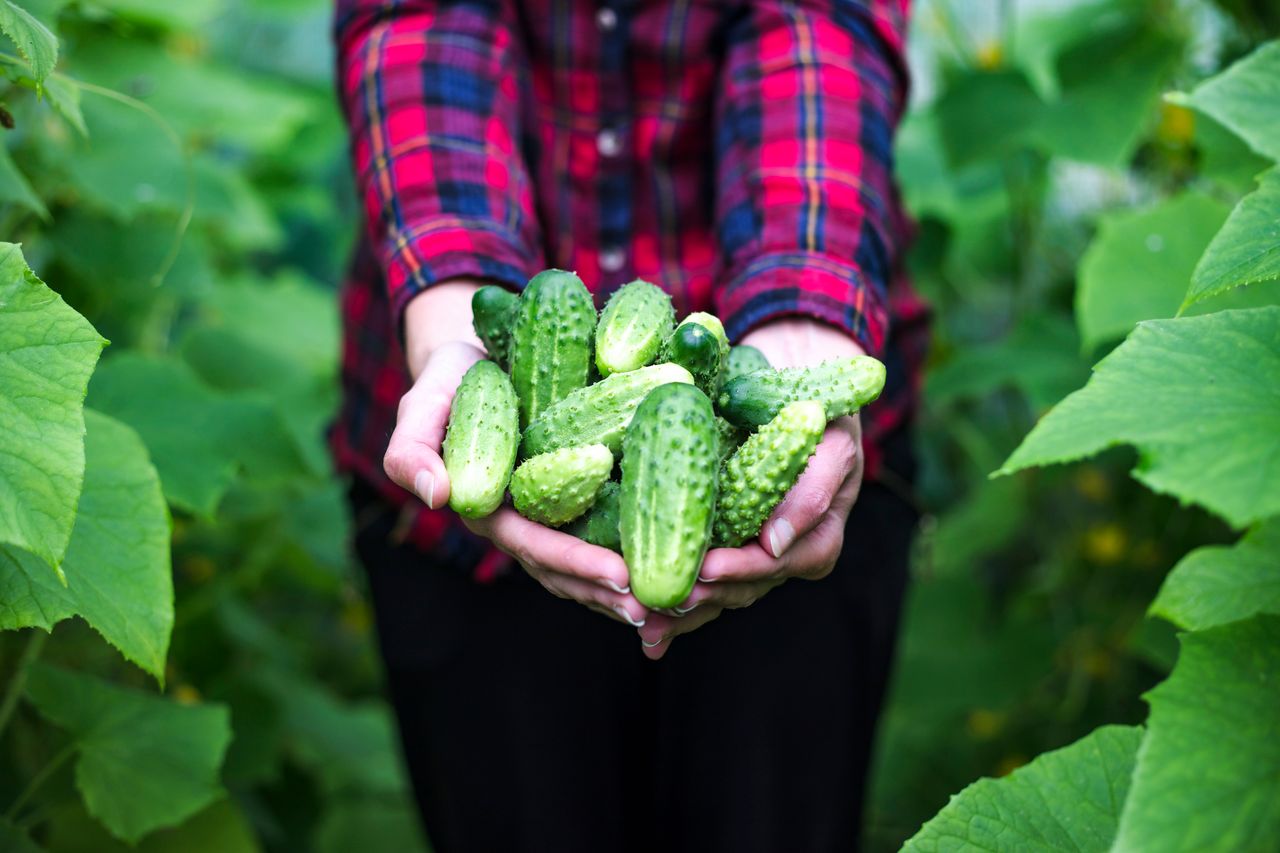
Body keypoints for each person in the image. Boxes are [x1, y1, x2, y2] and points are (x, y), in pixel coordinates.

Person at [332, 0, 928, 850]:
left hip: (788, 488)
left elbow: (816, 27)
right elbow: (422, 21)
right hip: (456, 475)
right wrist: (453, 295)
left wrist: (805, 307)